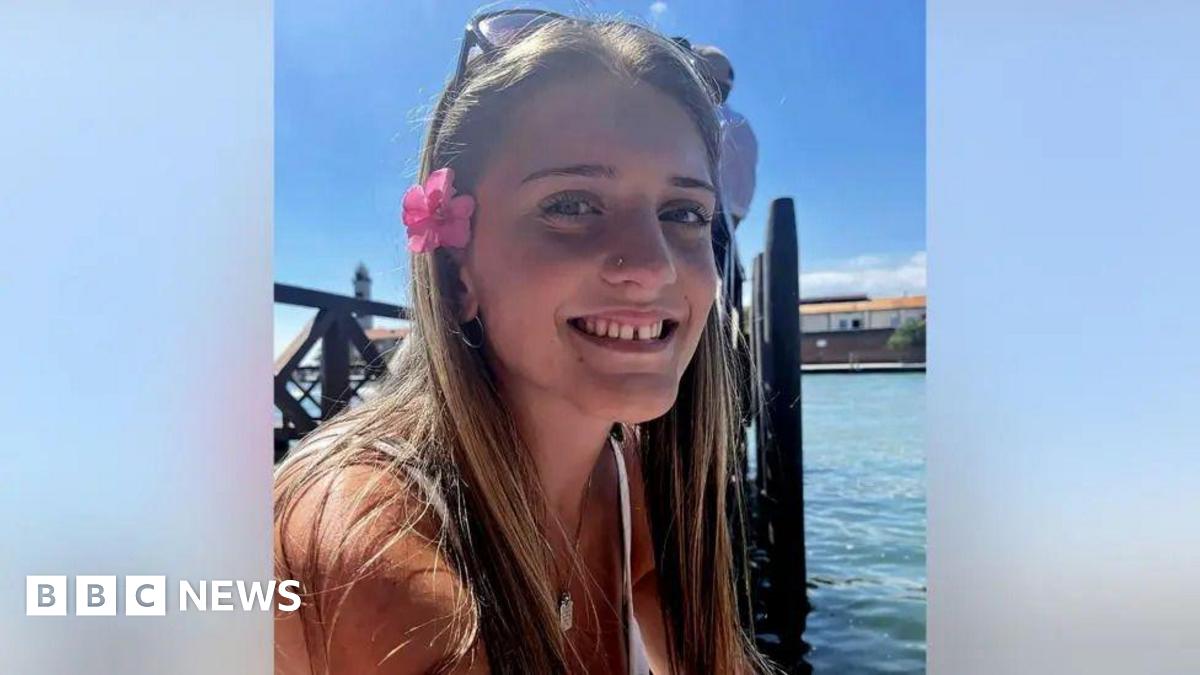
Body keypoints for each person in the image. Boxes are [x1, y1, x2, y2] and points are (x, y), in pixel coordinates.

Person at [273, 10, 773, 674]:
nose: (652, 264)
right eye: (571, 204)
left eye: (684, 213)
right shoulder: (375, 551)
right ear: (456, 275)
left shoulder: (626, 478)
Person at [693, 45, 758, 229]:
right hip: (722, 224)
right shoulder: (740, 124)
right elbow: (741, 200)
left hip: (706, 222)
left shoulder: (688, 119)